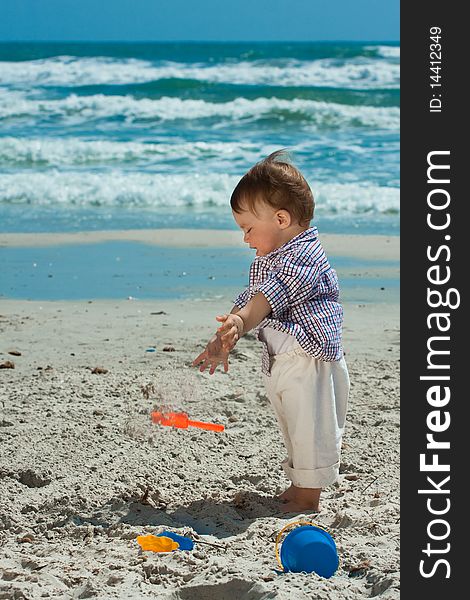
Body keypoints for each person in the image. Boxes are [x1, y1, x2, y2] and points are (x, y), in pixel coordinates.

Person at [192, 150, 349, 513]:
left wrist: (243, 321)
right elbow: (250, 297)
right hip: (284, 358)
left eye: (248, 228)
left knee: (311, 428)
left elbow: (268, 297)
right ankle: (298, 487)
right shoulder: (271, 257)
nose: (245, 239)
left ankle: (308, 497)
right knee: (292, 424)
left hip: (310, 359)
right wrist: (227, 332)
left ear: (281, 218)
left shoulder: (304, 257)